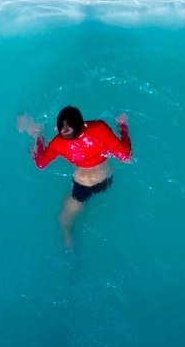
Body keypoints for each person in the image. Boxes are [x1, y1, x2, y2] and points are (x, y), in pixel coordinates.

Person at [18, 106, 132, 249]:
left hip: (82, 187)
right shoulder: (99, 128)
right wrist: (123, 126)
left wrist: (38, 136)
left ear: (56, 129)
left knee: (64, 224)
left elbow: (41, 164)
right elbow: (126, 157)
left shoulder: (58, 143)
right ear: (84, 124)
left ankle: (72, 257)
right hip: (106, 177)